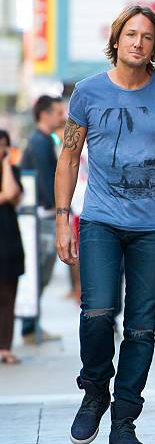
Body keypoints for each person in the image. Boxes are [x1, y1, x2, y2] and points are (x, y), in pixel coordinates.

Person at [54, 5, 155, 444]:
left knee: (141, 329)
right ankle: (95, 388)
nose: (138, 42)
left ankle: (124, 420)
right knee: (97, 314)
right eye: (131, 34)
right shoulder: (87, 93)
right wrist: (63, 218)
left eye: (147, 36)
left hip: (153, 227)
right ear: (116, 40)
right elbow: (69, 157)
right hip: (99, 219)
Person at [20, 95, 65, 343]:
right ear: (44, 114)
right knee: (39, 272)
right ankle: (29, 326)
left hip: (42, 215)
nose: (62, 117)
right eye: (58, 112)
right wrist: (60, 211)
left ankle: (31, 324)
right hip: (42, 216)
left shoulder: (43, 141)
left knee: (41, 272)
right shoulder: (40, 142)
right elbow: (48, 181)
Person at [0, 130, 24, 364]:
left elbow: (12, 194)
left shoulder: (12, 172)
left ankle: (5, 347)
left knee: (8, 299)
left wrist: (7, 165)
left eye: (3, 147)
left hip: (8, 243)